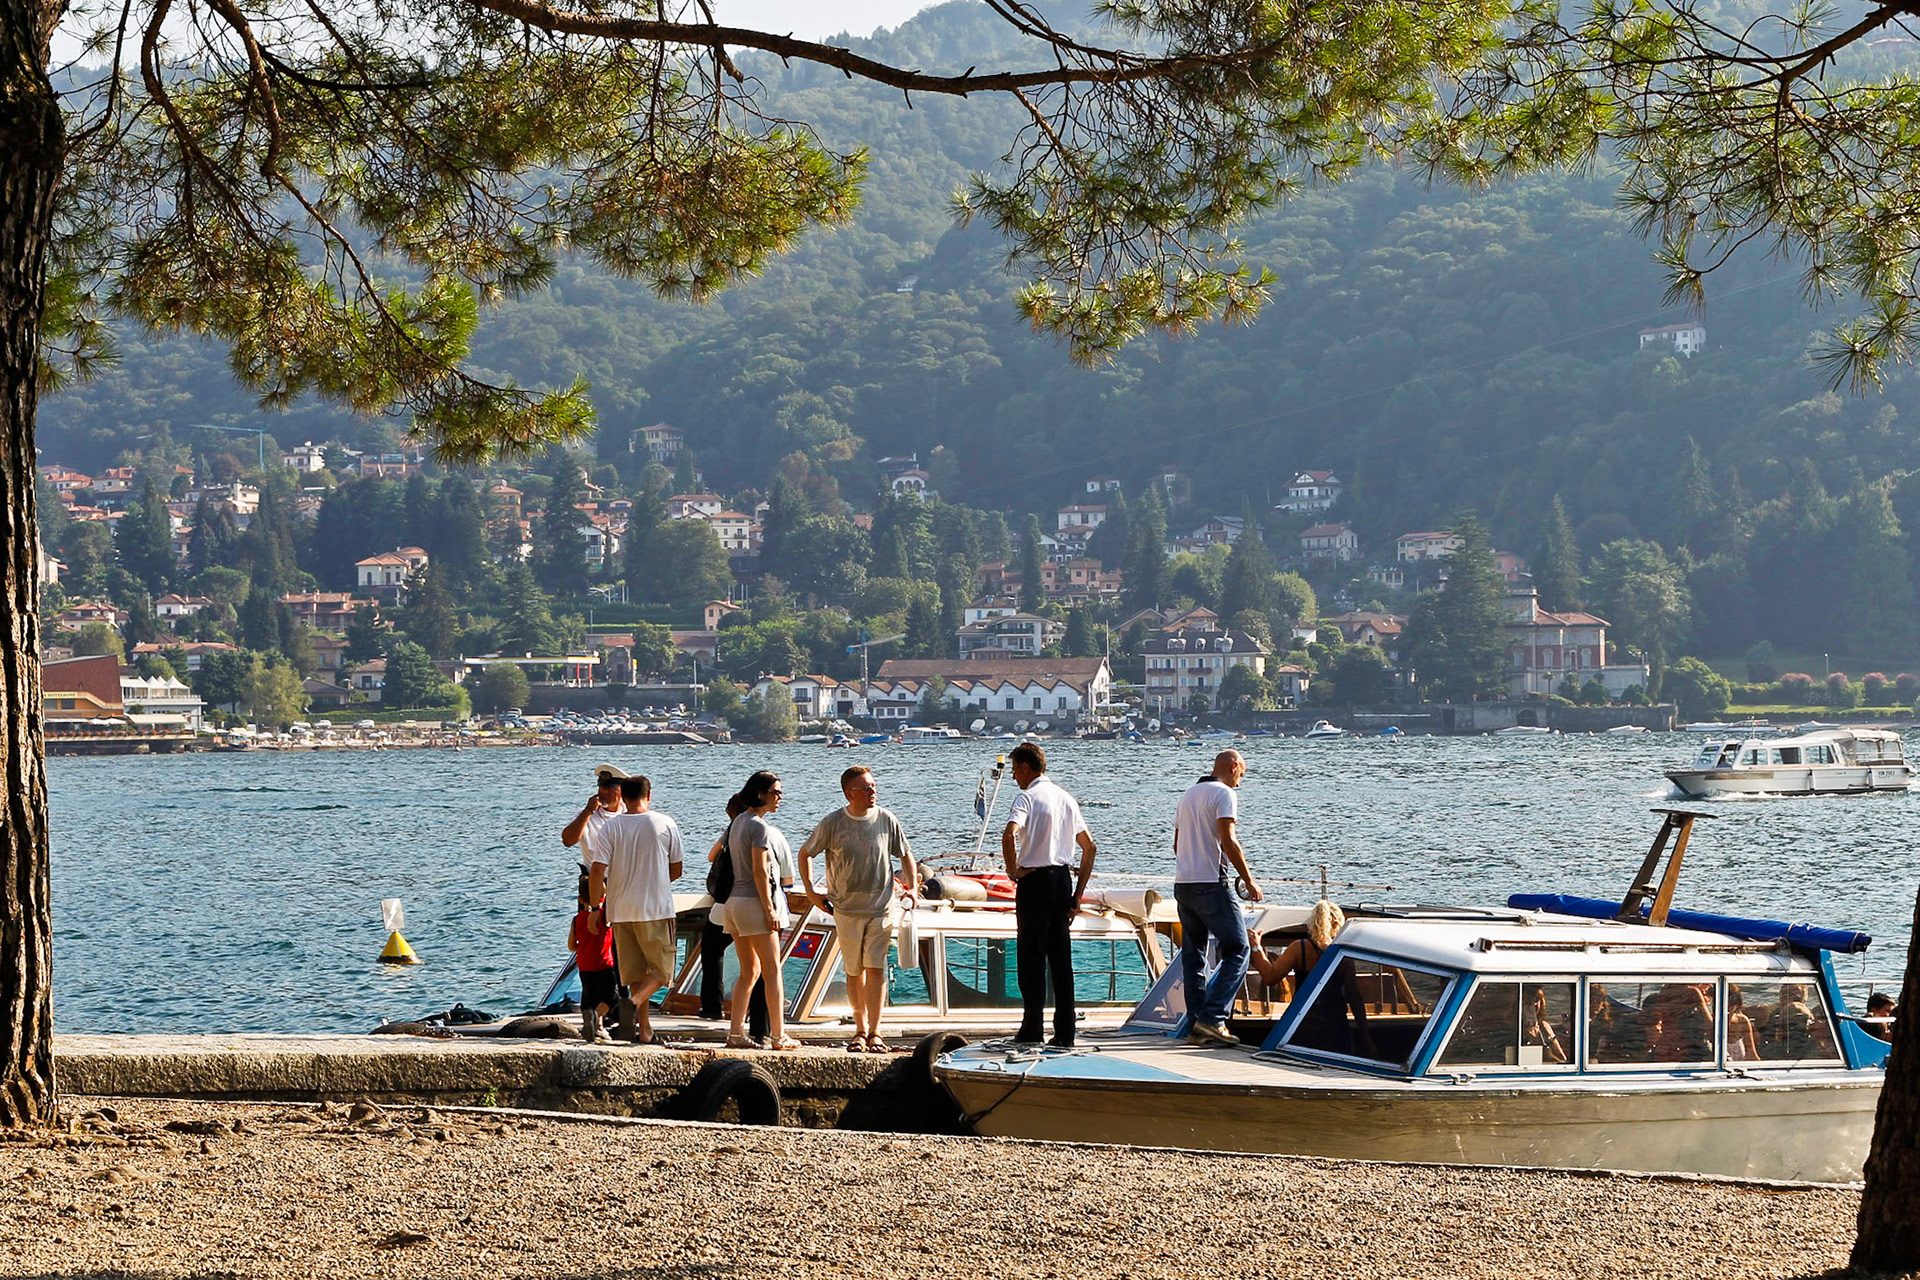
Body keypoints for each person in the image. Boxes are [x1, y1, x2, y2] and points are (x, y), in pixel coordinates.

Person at [800, 765, 919, 1052]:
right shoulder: (832, 823)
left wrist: (913, 887)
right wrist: (811, 892)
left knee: (875, 968)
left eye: (873, 786)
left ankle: (876, 1032)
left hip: (881, 907)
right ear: (849, 793)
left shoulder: (887, 819)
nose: (872, 792)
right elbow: (806, 853)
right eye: (865, 788)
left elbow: (906, 855)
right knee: (854, 972)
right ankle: (860, 1030)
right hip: (845, 909)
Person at [1000, 742, 1096, 1048]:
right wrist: (1078, 893)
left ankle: (1032, 1027)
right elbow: (1089, 846)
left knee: (1031, 957)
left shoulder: (1027, 797)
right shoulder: (1066, 798)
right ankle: (1065, 1031)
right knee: (1060, 959)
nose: (1014, 776)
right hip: (1062, 880)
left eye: (1015, 770)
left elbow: (1009, 832)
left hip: (1035, 880)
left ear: (1026, 768)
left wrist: (1013, 870)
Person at [1171, 749, 1261, 1047]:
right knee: (1239, 948)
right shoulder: (1223, 794)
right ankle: (1213, 1019)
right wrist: (1249, 880)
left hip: (1183, 884)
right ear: (1234, 766)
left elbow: (1176, 844)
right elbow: (1229, 840)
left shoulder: (1188, 795)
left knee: (1193, 954)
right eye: (1242, 775)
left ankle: (1197, 1024)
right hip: (1211, 883)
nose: (1240, 782)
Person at [585, 775, 683, 1046]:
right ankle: (634, 1002)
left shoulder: (610, 828)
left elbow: (596, 871)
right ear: (648, 795)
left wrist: (595, 909)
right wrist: (656, 880)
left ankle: (645, 1030)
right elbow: (677, 869)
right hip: (655, 908)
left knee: (637, 974)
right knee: (662, 972)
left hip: (619, 911)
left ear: (623, 797)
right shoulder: (665, 823)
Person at [722, 770, 799, 1051]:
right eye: (775, 792)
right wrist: (769, 910)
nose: (780, 797)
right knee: (772, 971)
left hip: (733, 904)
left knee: (749, 971)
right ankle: (779, 1035)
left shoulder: (737, 823)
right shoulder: (760, 827)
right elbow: (759, 870)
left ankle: (735, 1033)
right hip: (753, 903)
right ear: (760, 794)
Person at [1248, 900, 1368, 1056]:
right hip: (1336, 1026)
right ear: (1337, 924)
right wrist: (1366, 1037)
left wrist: (1257, 947)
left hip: (1304, 1023)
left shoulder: (1300, 948)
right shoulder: (1343, 955)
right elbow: (1355, 997)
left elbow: (1270, 977)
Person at [567, 870, 616, 1042]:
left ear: (580, 899)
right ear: (603, 896)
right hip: (603, 964)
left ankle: (596, 1026)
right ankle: (595, 1017)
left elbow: (571, 945)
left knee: (589, 996)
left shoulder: (576, 919)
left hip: (584, 966)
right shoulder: (604, 917)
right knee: (612, 998)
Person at [562, 764, 627, 857]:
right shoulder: (586, 816)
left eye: (609, 789)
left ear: (622, 791)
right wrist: (588, 811)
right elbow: (568, 841)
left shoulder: (629, 812)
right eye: (601, 788)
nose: (603, 792)